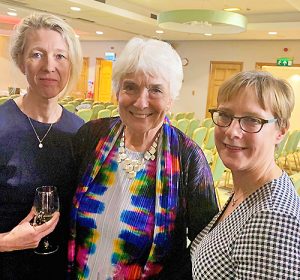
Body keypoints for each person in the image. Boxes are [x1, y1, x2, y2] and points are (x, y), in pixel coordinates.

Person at [68, 37, 218, 280]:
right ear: (117, 91)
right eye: (131, 87)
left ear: (171, 98)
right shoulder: (92, 136)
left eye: (155, 89)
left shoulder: (188, 158)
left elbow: (207, 244)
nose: (141, 101)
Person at [191, 71, 300, 279]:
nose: (232, 131)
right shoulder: (247, 190)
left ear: (281, 131)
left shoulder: (274, 219)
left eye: (251, 120)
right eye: (225, 115)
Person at [0, 13, 84, 280]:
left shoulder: (80, 131)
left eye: (60, 56)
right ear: (21, 62)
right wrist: (7, 241)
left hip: (60, 270)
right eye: (37, 54)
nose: (49, 65)